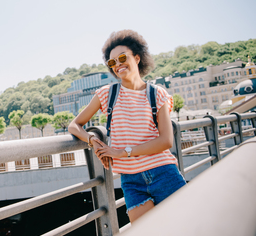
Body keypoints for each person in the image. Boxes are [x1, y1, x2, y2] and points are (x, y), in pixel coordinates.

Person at [68, 30, 186, 223]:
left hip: (163, 172)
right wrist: (92, 140)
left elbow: (166, 141)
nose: (117, 64)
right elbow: (74, 125)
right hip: (131, 181)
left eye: (122, 57)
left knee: (183, 231)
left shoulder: (157, 94)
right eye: (112, 62)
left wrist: (123, 152)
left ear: (137, 58)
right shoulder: (107, 94)